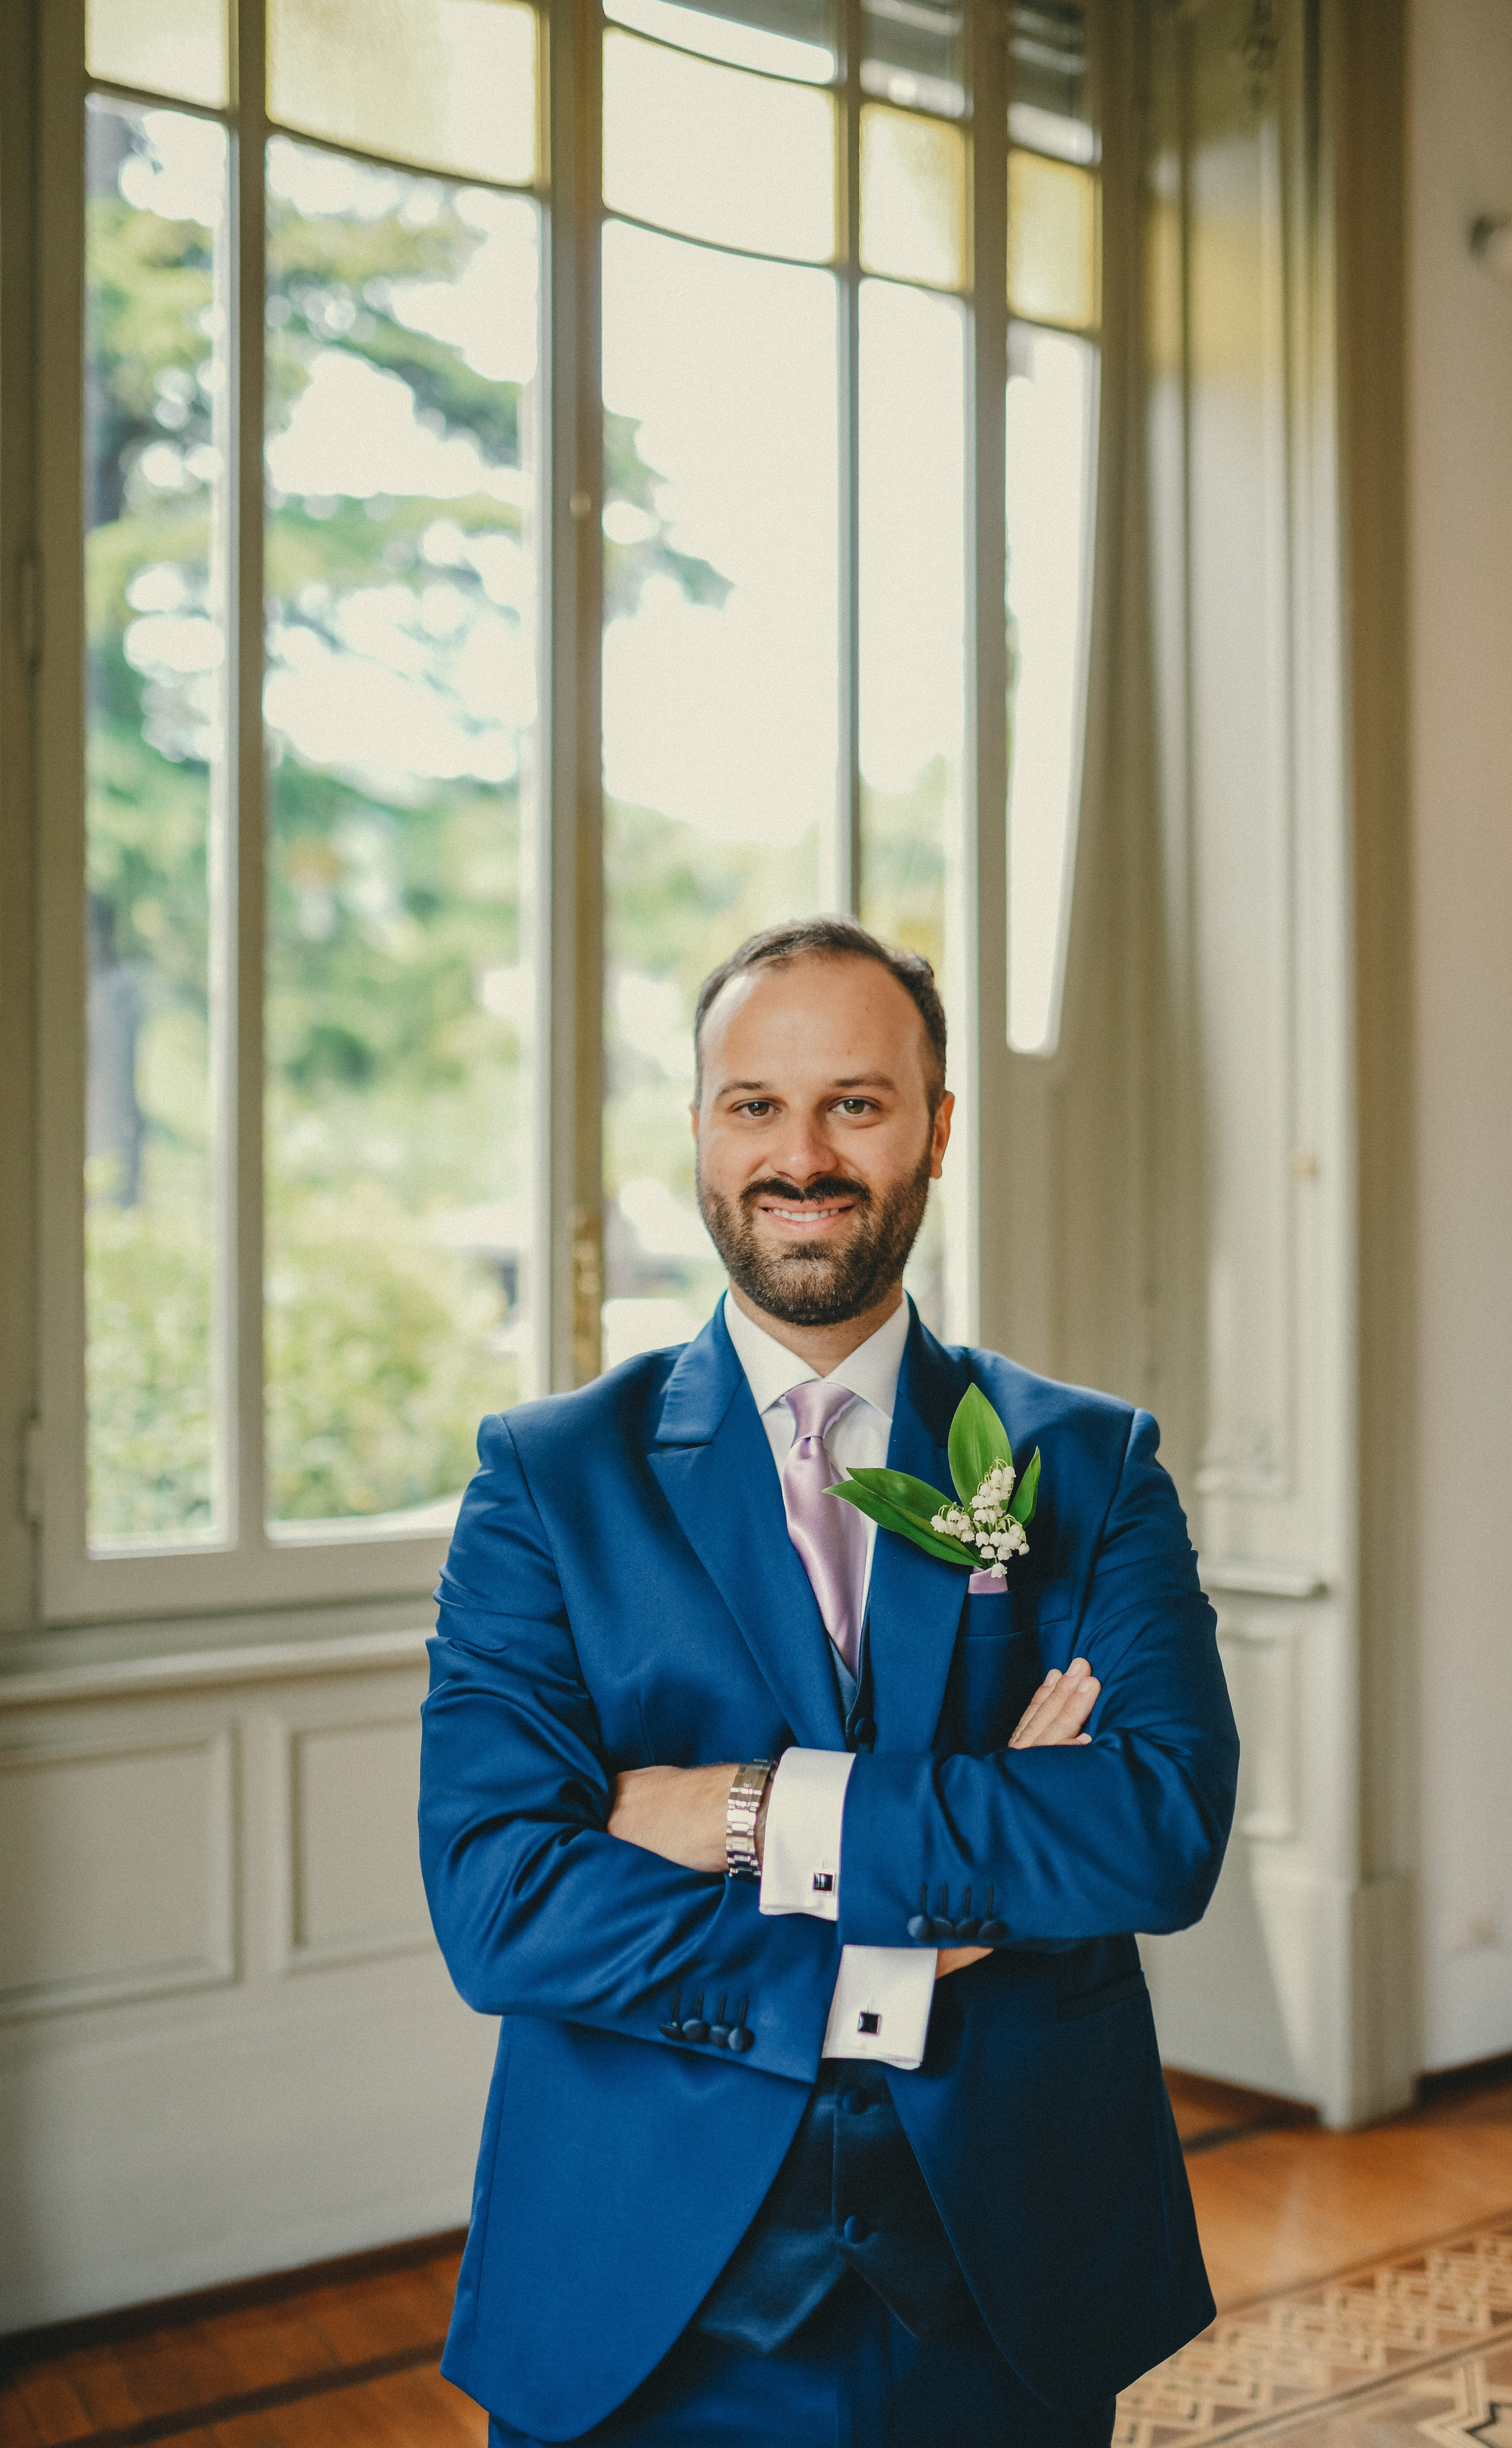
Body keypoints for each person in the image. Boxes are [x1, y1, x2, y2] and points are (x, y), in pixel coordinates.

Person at [419, 917, 1239, 2447]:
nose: (801, 1156)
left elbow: (1154, 1830)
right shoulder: (545, 1479)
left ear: (935, 1128)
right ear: (699, 1130)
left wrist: (743, 1811)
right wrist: (922, 1921)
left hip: (1010, 2273)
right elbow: (499, 1901)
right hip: (637, 2289)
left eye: (854, 1104)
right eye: (756, 1105)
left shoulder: (1084, 1462)